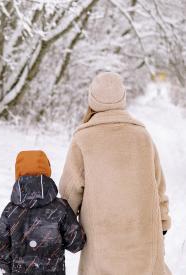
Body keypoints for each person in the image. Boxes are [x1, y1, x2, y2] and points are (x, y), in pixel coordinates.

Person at [59, 72, 172, 275]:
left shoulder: (83, 138)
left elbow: (70, 190)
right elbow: (158, 186)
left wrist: (66, 224)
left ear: (91, 100)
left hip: (100, 241)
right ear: (123, 98)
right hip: (143, 238)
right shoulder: (142, 136)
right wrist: (162, 222)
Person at [0, 150, 86, 275]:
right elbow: (76, 244)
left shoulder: (10, 211)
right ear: (47, 170)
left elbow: (2, 250)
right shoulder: (60, 208)